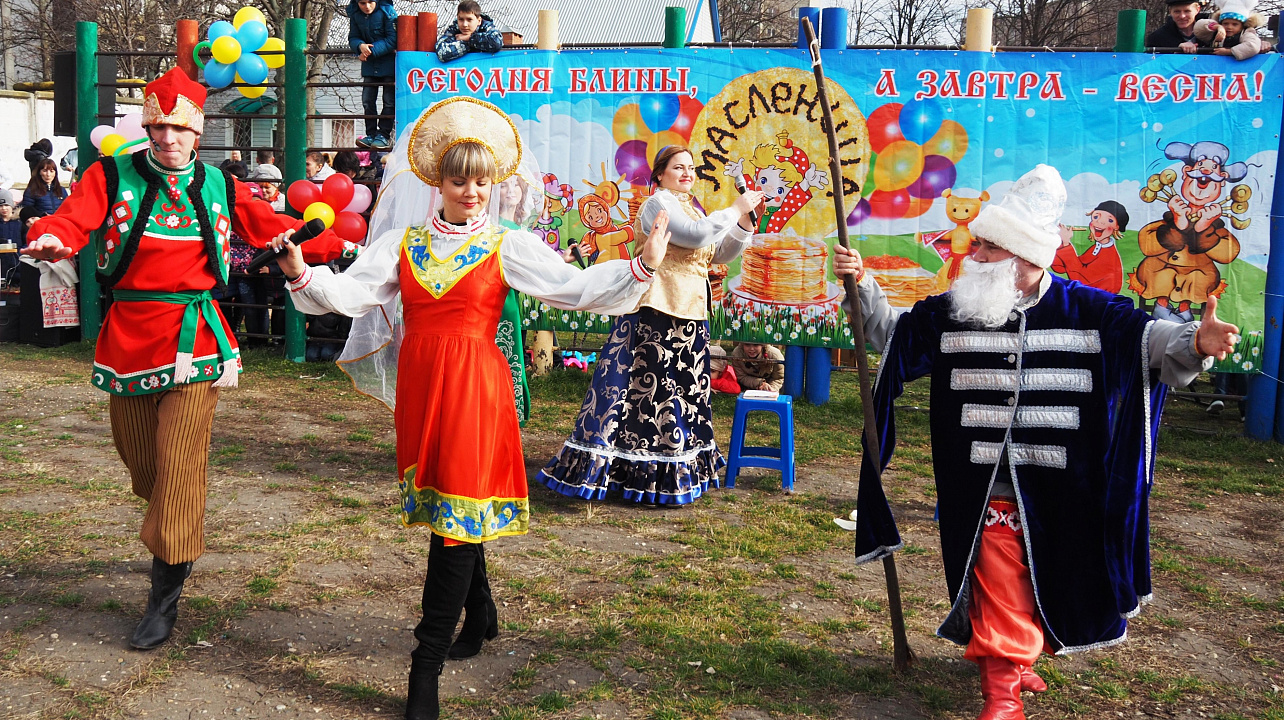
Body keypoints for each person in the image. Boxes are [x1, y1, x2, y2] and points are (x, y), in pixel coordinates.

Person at [268, 96, 669, 720]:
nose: (473, 192)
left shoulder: (507, 245)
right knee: (449, 509)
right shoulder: (403, 242)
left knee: (454, 517)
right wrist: (301, 271)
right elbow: (348, 292)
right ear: (439, 182)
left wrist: (640, 265)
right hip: (422, 392)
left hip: (477, 395)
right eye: (460, 180)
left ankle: (423, 669)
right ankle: (480, 614)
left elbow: (574, 286)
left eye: (483, 181)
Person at [833, 165, 1239, 720]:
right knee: (997, 574)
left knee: (1045, 572)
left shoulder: (1089, 311)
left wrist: (1196, 341)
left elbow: (1150, 340)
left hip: (1063, 489)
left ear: (1026, 259)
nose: (970, 255)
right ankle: (1001, 693)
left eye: (986, 248)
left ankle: (1020, 658)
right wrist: (862, 286)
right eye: (974, 243)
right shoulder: (957, 311)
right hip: (980, 488)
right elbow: (892, 334)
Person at [21, 67, 353, 653]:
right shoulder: (111, 174)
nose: (167, 137)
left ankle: (165, 590)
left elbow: (273, 227)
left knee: (179, 460)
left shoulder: (220, 186)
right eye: (157, 127)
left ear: (197, 133)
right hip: (128, 332)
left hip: (195, 337)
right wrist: (54, 236)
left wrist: (335, 242)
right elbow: (74, 219)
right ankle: (172, 521)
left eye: (178, 128)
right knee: (140, 459)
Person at [538, 145, 764, 507]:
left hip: (690, 311)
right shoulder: (656, 205)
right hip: (656, 311)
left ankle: (677, 466)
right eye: (678, 167)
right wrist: (734, 208)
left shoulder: (694, 207)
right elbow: (692, 236)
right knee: (653, 395)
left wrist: (743, 223)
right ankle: (637, 470)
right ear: (660, 174)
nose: (687, 173)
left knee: (685, 393)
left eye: (691, 167)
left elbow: (717, 253)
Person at [347, 0, 397, 149]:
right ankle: (371, 134)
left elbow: (393, 39)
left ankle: (383, 134)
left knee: (389, 100)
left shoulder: (387, 12)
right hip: (369, 66)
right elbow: (353, 37)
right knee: (367, 100)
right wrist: (359, 46)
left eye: (370, 2)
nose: (367, 6)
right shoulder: (355, 15)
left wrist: (370, 51)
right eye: (363, 3)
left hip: (388, 65)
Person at [1050, 201, 1127, 295]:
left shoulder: (1109, 255)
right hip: (1087, 297)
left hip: (1099, 302)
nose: (1100, 222)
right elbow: (1062, 268)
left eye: (1110, 220)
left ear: (1116, 227)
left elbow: (1079, 278)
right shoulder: (1097, 248)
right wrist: (1059, 243)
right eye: (1096, 217)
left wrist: (1066, 243)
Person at [436, 0, 503, 63]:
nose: (465, 24)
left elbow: (496, 42)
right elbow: (441, 52)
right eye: (461, 19)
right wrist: (471, 44)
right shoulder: (454, 29)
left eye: (469, 19)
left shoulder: (486, 26)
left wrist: (469, 38)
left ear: (479, 21)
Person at [1194, 0, 1265, 58]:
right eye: (1225, 24)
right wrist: (1217, 27)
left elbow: (1253, 46)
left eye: (1235, 24)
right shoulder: (1215, 32)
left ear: (1242, 26)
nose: (1229, 27)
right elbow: (1198, 27)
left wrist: (1229, 51)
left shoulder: (1245, 34)